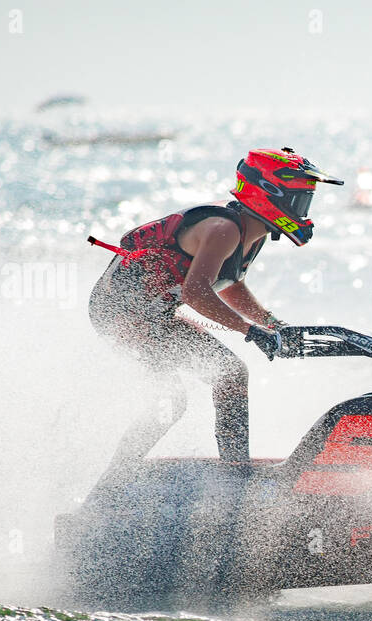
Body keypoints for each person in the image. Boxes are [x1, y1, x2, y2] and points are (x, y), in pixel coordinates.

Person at [87, 147, 342, 475]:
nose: (304, 212)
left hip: (155, 314)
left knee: (225, 377)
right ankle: (125, 474)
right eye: (299, 201)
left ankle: (231, 469)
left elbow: (230, 284)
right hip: (120, 313)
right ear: (270, 195)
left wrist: (272, 323)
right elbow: (196, 292)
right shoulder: (225, 229)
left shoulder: (254, 232)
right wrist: (250, 331)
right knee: (187, 393)